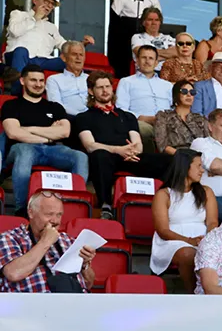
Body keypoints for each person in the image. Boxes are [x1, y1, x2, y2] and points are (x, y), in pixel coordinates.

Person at [73, 71, 170, 215]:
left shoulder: (127, 116)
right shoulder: (83, 117)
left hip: (130, 157)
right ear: (90, 91)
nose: (105, 91)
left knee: (168, 160)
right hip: (106, 157)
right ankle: (106, 205)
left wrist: (132, 152)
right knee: (99, 155)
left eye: (107, 86)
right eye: (100, 87)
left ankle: (165, 203)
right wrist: (118, 150)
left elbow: (138, 143)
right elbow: (90, 145)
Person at [2, 64, 89, 215]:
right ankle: (22, 209)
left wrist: (28, 129)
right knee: (24, 151)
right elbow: (13, 133)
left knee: (80, 156)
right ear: (22, 81)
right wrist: (49, 135)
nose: (38, 84)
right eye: (33, 80)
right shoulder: (11, 105)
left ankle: (74, 204)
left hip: (53, 149)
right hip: (22, 148)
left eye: (41, 81)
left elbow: (65, 132)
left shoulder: (55, 107)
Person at [150, 149, 218, 291]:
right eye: (198, 166)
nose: (202, 171)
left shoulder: (206, 192)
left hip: (204, 239)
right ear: (185, 166)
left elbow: (212, 222)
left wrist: (208, 240)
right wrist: (189, 241)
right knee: (189, 254)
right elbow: (163, 230)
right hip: (172, 242)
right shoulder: (164, 195)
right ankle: (193, 294)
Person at [0, 191, 95, 292]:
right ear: (31, 212)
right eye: (49, 214)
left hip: (75, 303)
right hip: (31, 304)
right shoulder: (9, 238)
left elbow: (89, 284)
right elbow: (13, 273)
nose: (55, 221)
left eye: (59, 215)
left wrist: (84, 265)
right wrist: (45, 242)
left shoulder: (69, 241)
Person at [8, 0, 90, 73]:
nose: (49, 6)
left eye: (52, 4)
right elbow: (15, 31)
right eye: (46, 1)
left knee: (70, 61)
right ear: (35, 1)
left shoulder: (51, 27)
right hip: (18, 56)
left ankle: (81, 84)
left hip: (42, 60)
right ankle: (17, 86)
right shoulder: (18, 14)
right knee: (21, 51)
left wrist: (81, 44)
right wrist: (35, 18)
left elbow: (63, 45)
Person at [107, 0, 160, 77]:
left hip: (144, 36)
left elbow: (157, 20)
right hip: (124, 38)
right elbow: (113, 19)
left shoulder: (153, 0)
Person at [116, 46, 172, 132]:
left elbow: (175, 108)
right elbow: (121, 109)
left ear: (156, 63)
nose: (147, 61)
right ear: (137, 61)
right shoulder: (126, 82)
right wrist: (142, 118)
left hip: (167, 124)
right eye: (144, 58)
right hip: (141, 123)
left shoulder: (167, 85)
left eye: (151, 58)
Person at [154, 80, 208, 156]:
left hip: (200, 158)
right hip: (175, 158)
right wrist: (184, 157)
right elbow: (162, 146)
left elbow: (209, 143)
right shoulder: (163, 116)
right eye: (184, 91)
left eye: (192, 92)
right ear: (176, 94)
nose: (189, 95)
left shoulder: (200, 119)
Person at [45, 40, 88, 115]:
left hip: (93, 119)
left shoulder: (91, 79)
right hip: (69, 119)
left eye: (81, 55)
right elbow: (57, 106)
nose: (78, 58)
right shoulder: (53, 80)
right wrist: (81, 116)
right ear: (64, 58)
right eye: (74, 54)